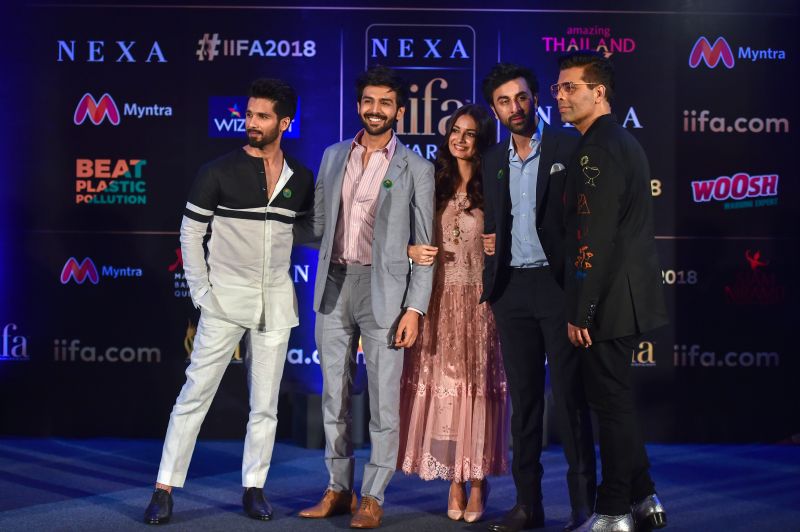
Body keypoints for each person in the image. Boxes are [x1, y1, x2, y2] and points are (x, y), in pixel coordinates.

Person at [143, 79, 314, 524]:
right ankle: (164, 487)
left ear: (285, 122)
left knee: (265, 407)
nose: (251, 123)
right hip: (223, 302)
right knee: (194, 396)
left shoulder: (301, 178)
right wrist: (203, 293)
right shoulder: (217, 170)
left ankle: (254, 488)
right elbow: (190, 233)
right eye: (249, 114)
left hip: (276, 303)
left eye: (262, 116)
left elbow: (310, 232)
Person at [294, 65, 435, 529]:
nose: (376, 110)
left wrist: (415, 307)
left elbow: (425, 246)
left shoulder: (416, 167)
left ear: (398, 109)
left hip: (387, 292)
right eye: (369, 102)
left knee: (383, 402)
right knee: (333, 397)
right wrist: (267, 223)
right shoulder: (334, 155)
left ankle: (373, 495)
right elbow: (317, 225)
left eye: (385, 103)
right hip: (334, 285)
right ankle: (338, 488)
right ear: (359, 106)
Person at [480, 63, 597, 532]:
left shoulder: (570, 145)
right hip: (511, 291)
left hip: (557, 286)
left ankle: (584, 506)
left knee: (569, 400)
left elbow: (588, 222)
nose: (516, 108)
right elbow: (496, 220)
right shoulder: (492, 160)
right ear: (496, 108)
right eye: (505, 101)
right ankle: (528, 505)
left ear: (535, 99)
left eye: (522, 98)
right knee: (524, 402)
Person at [554, 50, 669, 532]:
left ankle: (613, 510)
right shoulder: (621, 141)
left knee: (611, 407)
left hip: (608, 302)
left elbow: (593, 237)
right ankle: (645, 499)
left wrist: (583, 309)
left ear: (597, 93)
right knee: (617, 401)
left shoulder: (596, 148)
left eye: (570, 88)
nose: (560, 97)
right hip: (626, 296)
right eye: (558, 88)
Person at [398, 104, 508, 523]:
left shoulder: (495, 185)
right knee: (447, 391)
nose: (460, 140)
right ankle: (455, 481)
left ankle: (478, 479)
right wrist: (409, 250)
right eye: (455, 131)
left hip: (482, 305)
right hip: (439, 303)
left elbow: (518, 236)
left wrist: (503, 246)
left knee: (476, 389)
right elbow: (400, 232)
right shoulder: (432, 183)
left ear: (482, 141)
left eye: (470, 134)